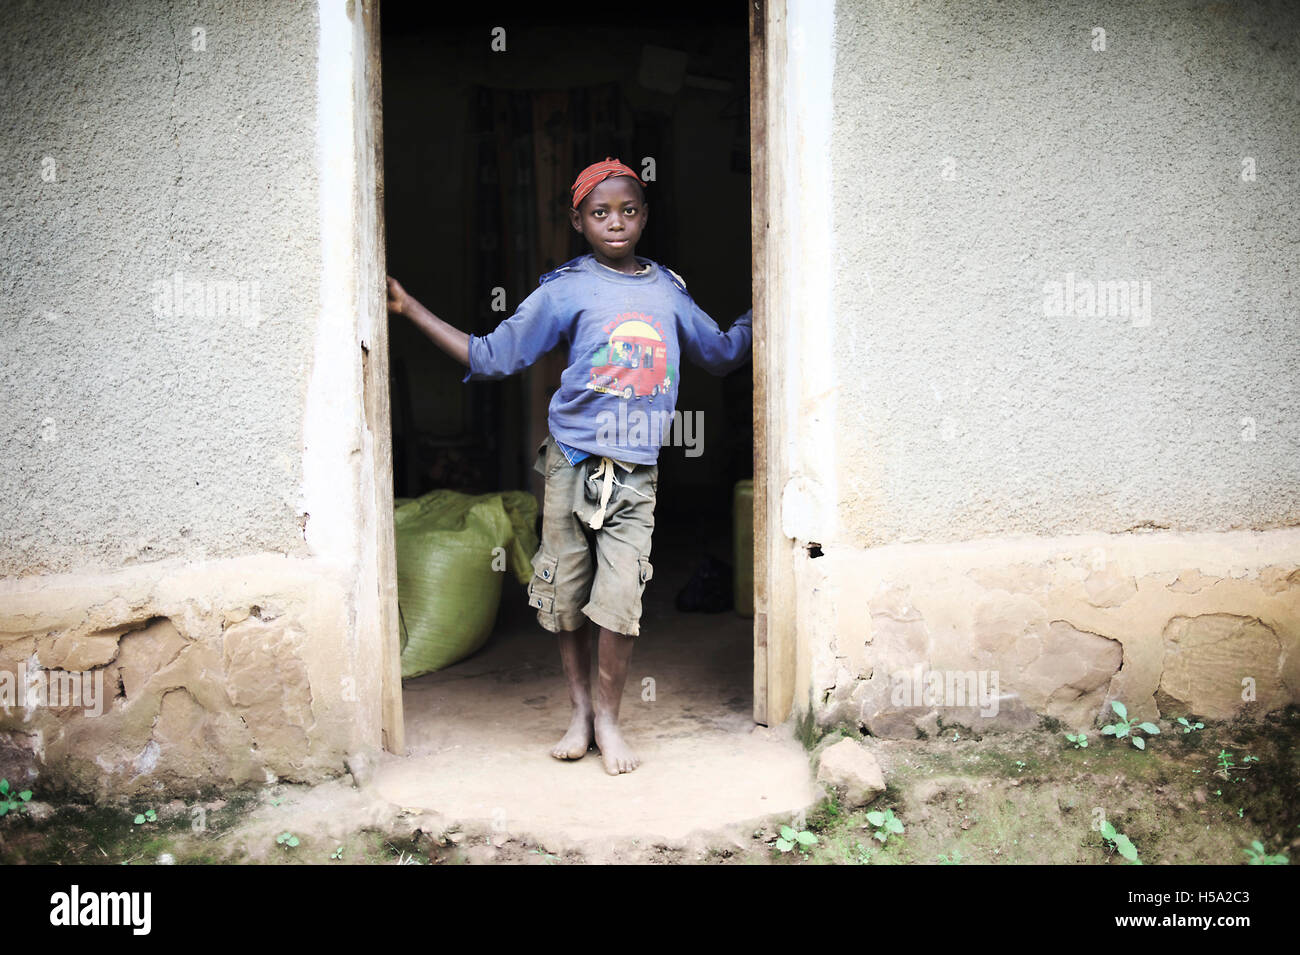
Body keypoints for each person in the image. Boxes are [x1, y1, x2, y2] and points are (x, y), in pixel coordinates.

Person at [386, 157, 752, 774]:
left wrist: (762, 313)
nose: (616, 222)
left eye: (629, 210)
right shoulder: (563, 289)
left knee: (620, 598)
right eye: (600, 212)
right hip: (570, 463)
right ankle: (580, 711)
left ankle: (609, 718)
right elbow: (493, 356)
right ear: (577, 220)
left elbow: (717, 352)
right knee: (566, 592)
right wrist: (411, 309)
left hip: (636, 471)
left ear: (645, 215)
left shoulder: (666, 289)